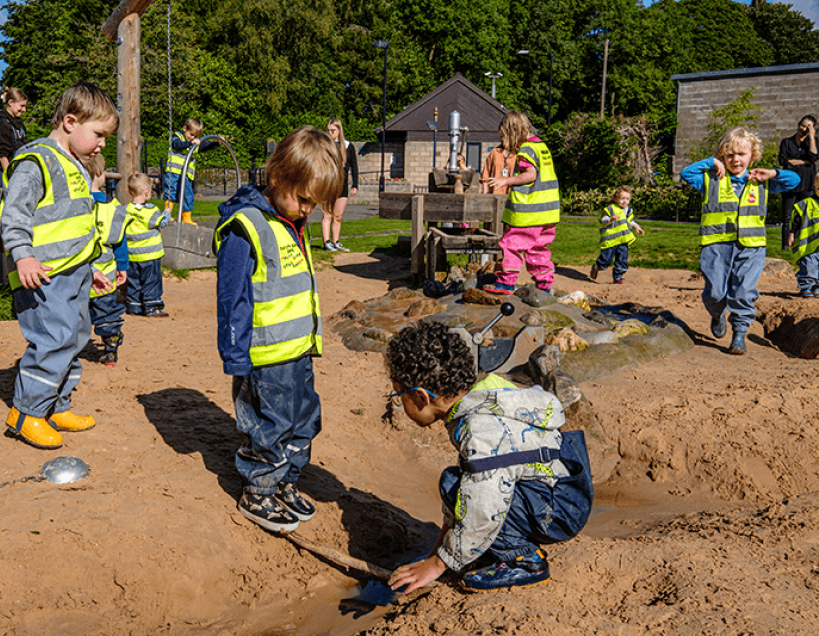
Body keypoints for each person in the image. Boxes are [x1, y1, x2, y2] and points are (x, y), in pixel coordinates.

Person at [384, 321, 592, 592]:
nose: (399, 402)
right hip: (560, 489)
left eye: (399, 395)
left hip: (558, 510)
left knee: (461, 489)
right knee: (454, 481)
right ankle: (495, 546)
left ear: (422, 397)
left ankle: (525, 559)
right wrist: (440, 550)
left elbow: (483, 506)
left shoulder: (481, 432)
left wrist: (439, 564)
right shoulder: (485, 393)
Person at [214, 126, 343, 533]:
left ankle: (285, 481)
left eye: (315, 204)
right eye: (304, 199)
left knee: (304, 419)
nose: (308, 210)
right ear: (277, 178)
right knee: (269, 424)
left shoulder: (291, 223)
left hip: (298, 350)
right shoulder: (246, 226)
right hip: (265, 355)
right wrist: (234, 353)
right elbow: (231, 296)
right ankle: (259, 489)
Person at [0, 81, 118, 449]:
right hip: (42, 274)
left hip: (74, 272)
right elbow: (13, 212)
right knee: (53, 340)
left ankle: (57, 405)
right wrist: (23, 254)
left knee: (76, 336)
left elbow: (79, 224)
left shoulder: (77, 166)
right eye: (98, 135)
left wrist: (92, 267)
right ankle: (27, 413)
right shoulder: (36, 161)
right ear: (70, 121)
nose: (102, 145)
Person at [680, 127, 799, 355]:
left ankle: (739, 335)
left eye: (741, 154)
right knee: (715, 292)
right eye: (729, 154)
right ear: (722, 156)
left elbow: (794, 181)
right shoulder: (710, 179)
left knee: (744, 291)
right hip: (716, 245)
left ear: (752, 156)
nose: (735, 159)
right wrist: (711, 162)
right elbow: (686, 174)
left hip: (752, 247)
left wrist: (773, 173)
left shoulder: (760, 180)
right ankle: (717, 315)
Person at [482, 111, 560, 295]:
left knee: (512, 244)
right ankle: (545, 285)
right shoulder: (542, 147)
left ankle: (506, 282)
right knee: (537, 249)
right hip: (548, 212)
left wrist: (505, 181)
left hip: (529, 212)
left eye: (505, 136)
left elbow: (530, 175)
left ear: (513, 131)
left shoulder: (526, 149)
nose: (505, 143)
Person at [86, 154, 131, 365]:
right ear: (99, 174)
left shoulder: (74, 204)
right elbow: (120, 242)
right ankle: (111, 345)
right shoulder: (113, 208)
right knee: (106, 309)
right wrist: (123, 267)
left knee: (77, 314)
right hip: (106, 272)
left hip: (79, 272)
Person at [125, 172, 170, 317]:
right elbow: (161, 222)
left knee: (134, 281)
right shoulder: (150, 211)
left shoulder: (126, 210)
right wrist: (167, 213)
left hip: (133, 255)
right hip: (150, 255)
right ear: (146, 192)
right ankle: (152, 307)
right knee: (152, 281)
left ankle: (135, 305)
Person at [164, 118, 220, 225]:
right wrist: (190, 144)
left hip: (185, 175)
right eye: (191, 134)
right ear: (185, 128)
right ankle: (167, 214)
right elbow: (177, 145)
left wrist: (216, 144)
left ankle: (186, 217)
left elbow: (205, 146)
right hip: (174, 172)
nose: (193, 138)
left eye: (195, 136)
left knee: (188, 194)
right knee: (171, 192)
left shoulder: (194, 143)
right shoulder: (178, 137)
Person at [590, 186, 645, 284]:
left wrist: (637, 227)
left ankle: (618, 277)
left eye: (627, 199)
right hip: (610, 241)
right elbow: (603, 220)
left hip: (623, 241)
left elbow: (630, 221)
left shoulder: (629, 211)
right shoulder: (610, 209)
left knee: (622, 260)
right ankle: (597, 267)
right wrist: (610, 220)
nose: (625, 201)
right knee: (605, 261)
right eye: (622, 198)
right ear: (615, 199)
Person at [778, 115, 817, 250]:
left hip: (807, 184)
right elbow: (783, 161)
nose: (804, 129)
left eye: (808, 127)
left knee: (803, 215)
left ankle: (800, 241)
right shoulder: (787, 142)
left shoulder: (814, 142)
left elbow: (813, 157)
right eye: (803, 125)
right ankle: (784, 246)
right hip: (789, 184)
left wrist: (811, 137)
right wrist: (805, 162)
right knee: (787, 216)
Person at [322, 118, 359, 252]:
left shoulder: (348, 145)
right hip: (329, 184)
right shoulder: (325, 145)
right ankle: (326, 242)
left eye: (333, 130)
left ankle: (335, 241)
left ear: (339, 130)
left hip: (342, 184)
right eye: (328, 130)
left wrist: (355, 184)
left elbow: (354, 166)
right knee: (327, 214)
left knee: (338, 216)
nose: (330, 133)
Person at [787, 174, 819, 298]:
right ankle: (806, 286)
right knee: (809, 266)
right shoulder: (806, 204)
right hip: (808, 245)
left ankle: (816, 286)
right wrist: (791, 234)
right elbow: (796, 221)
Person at [0, 87, 29, 188]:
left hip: (17, 173)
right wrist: (10, 178)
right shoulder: (2, 124)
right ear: (11, 102)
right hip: (5, 174)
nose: (24, 110)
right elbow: (1, 155)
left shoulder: (19, 125)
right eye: (22, 106)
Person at [480, 121, 518, 195]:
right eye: (501, 137)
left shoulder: (518, 154)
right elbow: (486, 173)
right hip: (494, 193)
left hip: (511, 194)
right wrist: (485, 191)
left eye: (504, 137)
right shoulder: (494, 152)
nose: (502, 139)